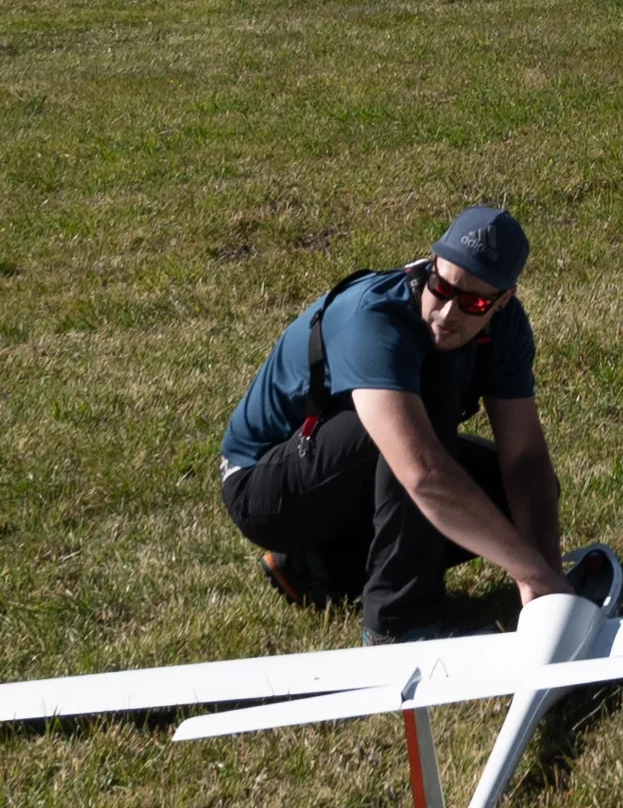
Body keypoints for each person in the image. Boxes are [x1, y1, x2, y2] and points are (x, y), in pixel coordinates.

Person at [220, 202, 575, 642]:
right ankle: (399, 624)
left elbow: (524, 460)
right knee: (427, 402)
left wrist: (549, 581)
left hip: (340, 475)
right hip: (264, 488)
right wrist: (529, 571)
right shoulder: (375, 318)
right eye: (442, 286)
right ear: (430, 264)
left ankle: (321, 566)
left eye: (475, 302)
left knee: (516, 493)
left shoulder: (506, 329)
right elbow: (424, 475)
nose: (448, 312)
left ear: (504, 300)